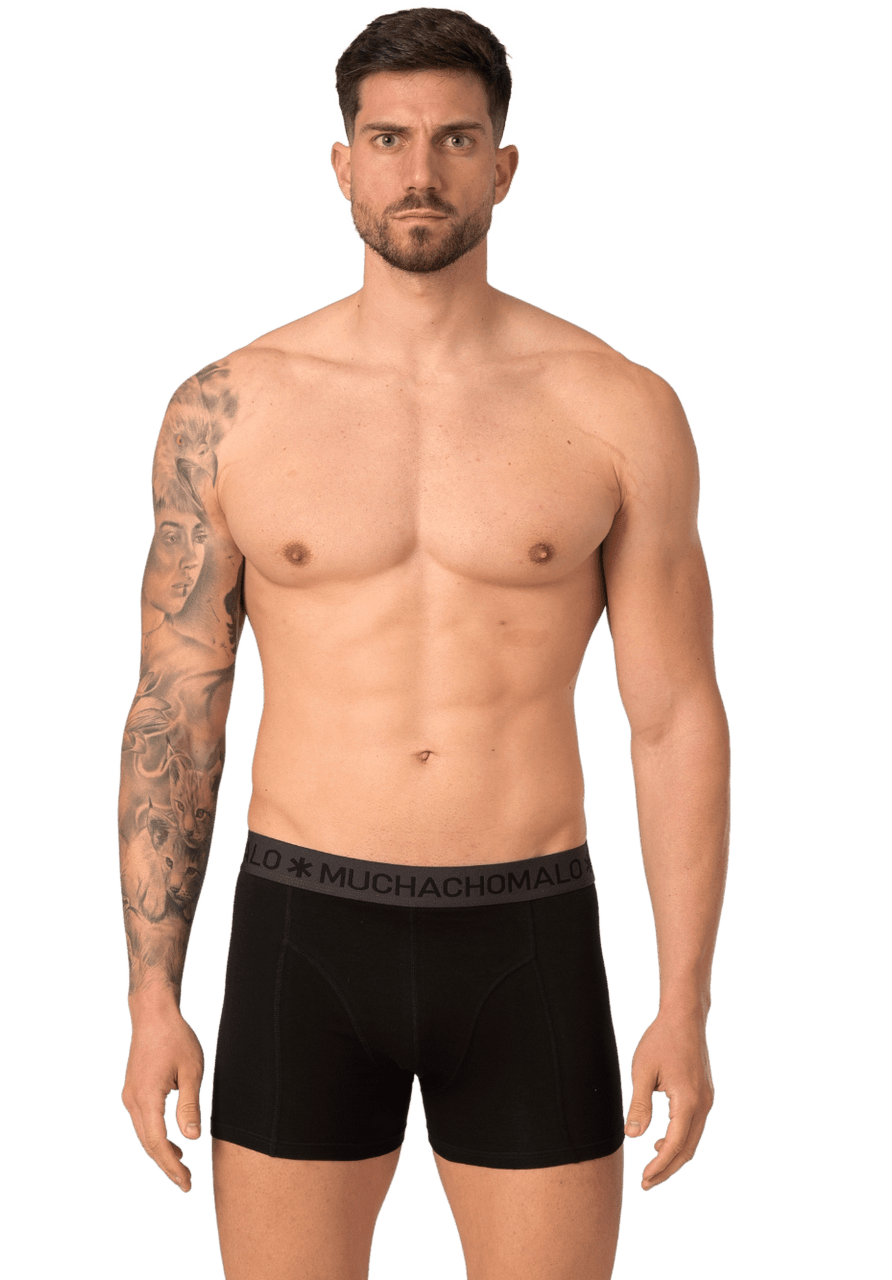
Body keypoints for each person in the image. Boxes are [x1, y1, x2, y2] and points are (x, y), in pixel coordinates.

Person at [116, 6, 731, 1278]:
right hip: (302, 929)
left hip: (528, 931)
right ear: (341, 163)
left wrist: (685, 1001)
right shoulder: (228, 406)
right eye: (388, 138)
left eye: (456, 138)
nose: (420, 171)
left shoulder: (618, 406)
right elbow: (177, 701)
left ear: (504, 166)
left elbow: (673, 713)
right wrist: (149, 995)